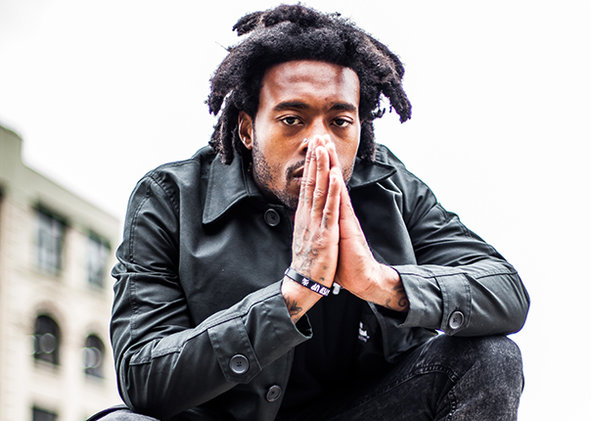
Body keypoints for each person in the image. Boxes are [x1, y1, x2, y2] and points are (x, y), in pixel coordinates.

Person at [99, 4, 530, 421]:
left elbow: (506, 290)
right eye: (292, 119)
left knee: (490, 355)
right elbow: (143, 376)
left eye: (339, 121)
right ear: (247, 129)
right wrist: (291, 297)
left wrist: (382, 283)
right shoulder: (170, 198)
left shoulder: (391, 186)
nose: (319, 142)